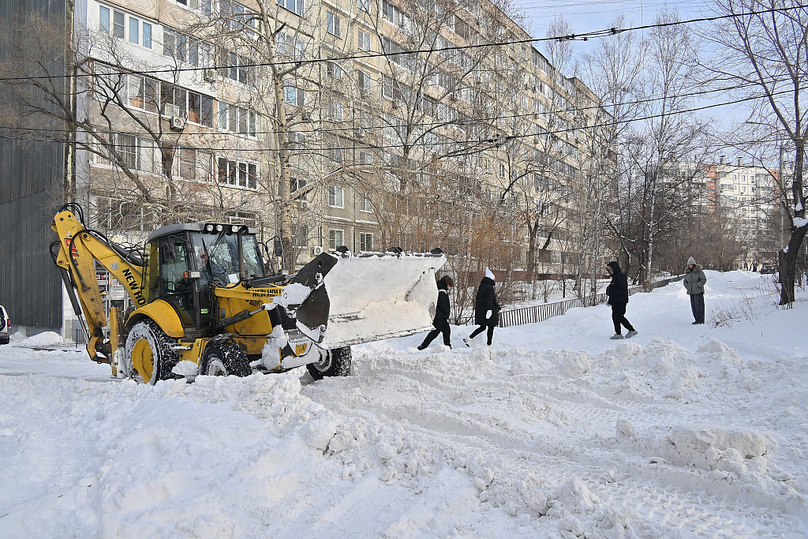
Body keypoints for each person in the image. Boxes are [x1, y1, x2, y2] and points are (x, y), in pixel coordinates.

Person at [464, 269, 500, 346]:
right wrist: (490, 309)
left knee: (483, 327)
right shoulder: (490, 288)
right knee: (491, 327)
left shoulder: (482, 286)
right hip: (488, 310)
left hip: (482, 311)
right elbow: (489, 299)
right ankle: (489, 344)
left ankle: (469, 338)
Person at [418, 275, 454, 350]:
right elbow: (442, 303)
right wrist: (446, 311)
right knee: (435, 332)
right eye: (449, 286)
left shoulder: (439, 289)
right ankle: (423, 346)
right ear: (446, 284)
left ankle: (448, 346)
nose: (449, 287)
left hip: (441, 316)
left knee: (446, 330)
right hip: (440, 316)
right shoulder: (442, 291)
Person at [605, 261, 637, 339]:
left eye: (611, 270)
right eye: (609, 271)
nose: (610, 272)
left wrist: (611, 291)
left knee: (619, 316)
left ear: (615, 269)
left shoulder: (620, 276)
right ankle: (618, 333)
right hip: (615, 301)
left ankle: (631, 330)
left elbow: (620, 289)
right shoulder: (615, 277)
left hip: (620, 301)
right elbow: (610, 288)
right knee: (615, 317)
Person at [683, 256, 707, 325]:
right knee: (693, 306)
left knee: (699, 306)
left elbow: (703, 280)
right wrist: (687, 286)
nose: (690, 266)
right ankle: (696, 319)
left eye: (691, 264)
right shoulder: (688, 273)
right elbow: (685, 281)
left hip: (698, 292)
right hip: (691, 291)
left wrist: (697, 285)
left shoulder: (699, 272)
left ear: (694, 264)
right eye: (689, 265)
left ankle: (700, 320)